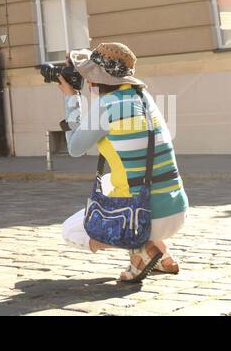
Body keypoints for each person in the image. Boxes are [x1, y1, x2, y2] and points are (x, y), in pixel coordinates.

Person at [55, 42, 189, 283]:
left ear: (95, 79)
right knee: (110, 180)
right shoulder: (144, 97)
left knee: (71, 231)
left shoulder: (107, 105)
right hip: (176, 208)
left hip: (145, 216)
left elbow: (75, 148)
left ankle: (142, 248)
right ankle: (160, 252)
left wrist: (71, 98)